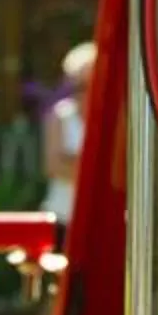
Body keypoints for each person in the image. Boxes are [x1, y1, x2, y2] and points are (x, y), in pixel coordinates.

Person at [43, 40, 95, 226]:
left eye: (90, 85)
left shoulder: (116, 119)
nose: (83, 93)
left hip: (98, 219)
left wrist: (72, 160)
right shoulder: (60, 116)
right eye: (77, 86)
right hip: (63, 216)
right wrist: (96, 167)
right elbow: (54, 166)